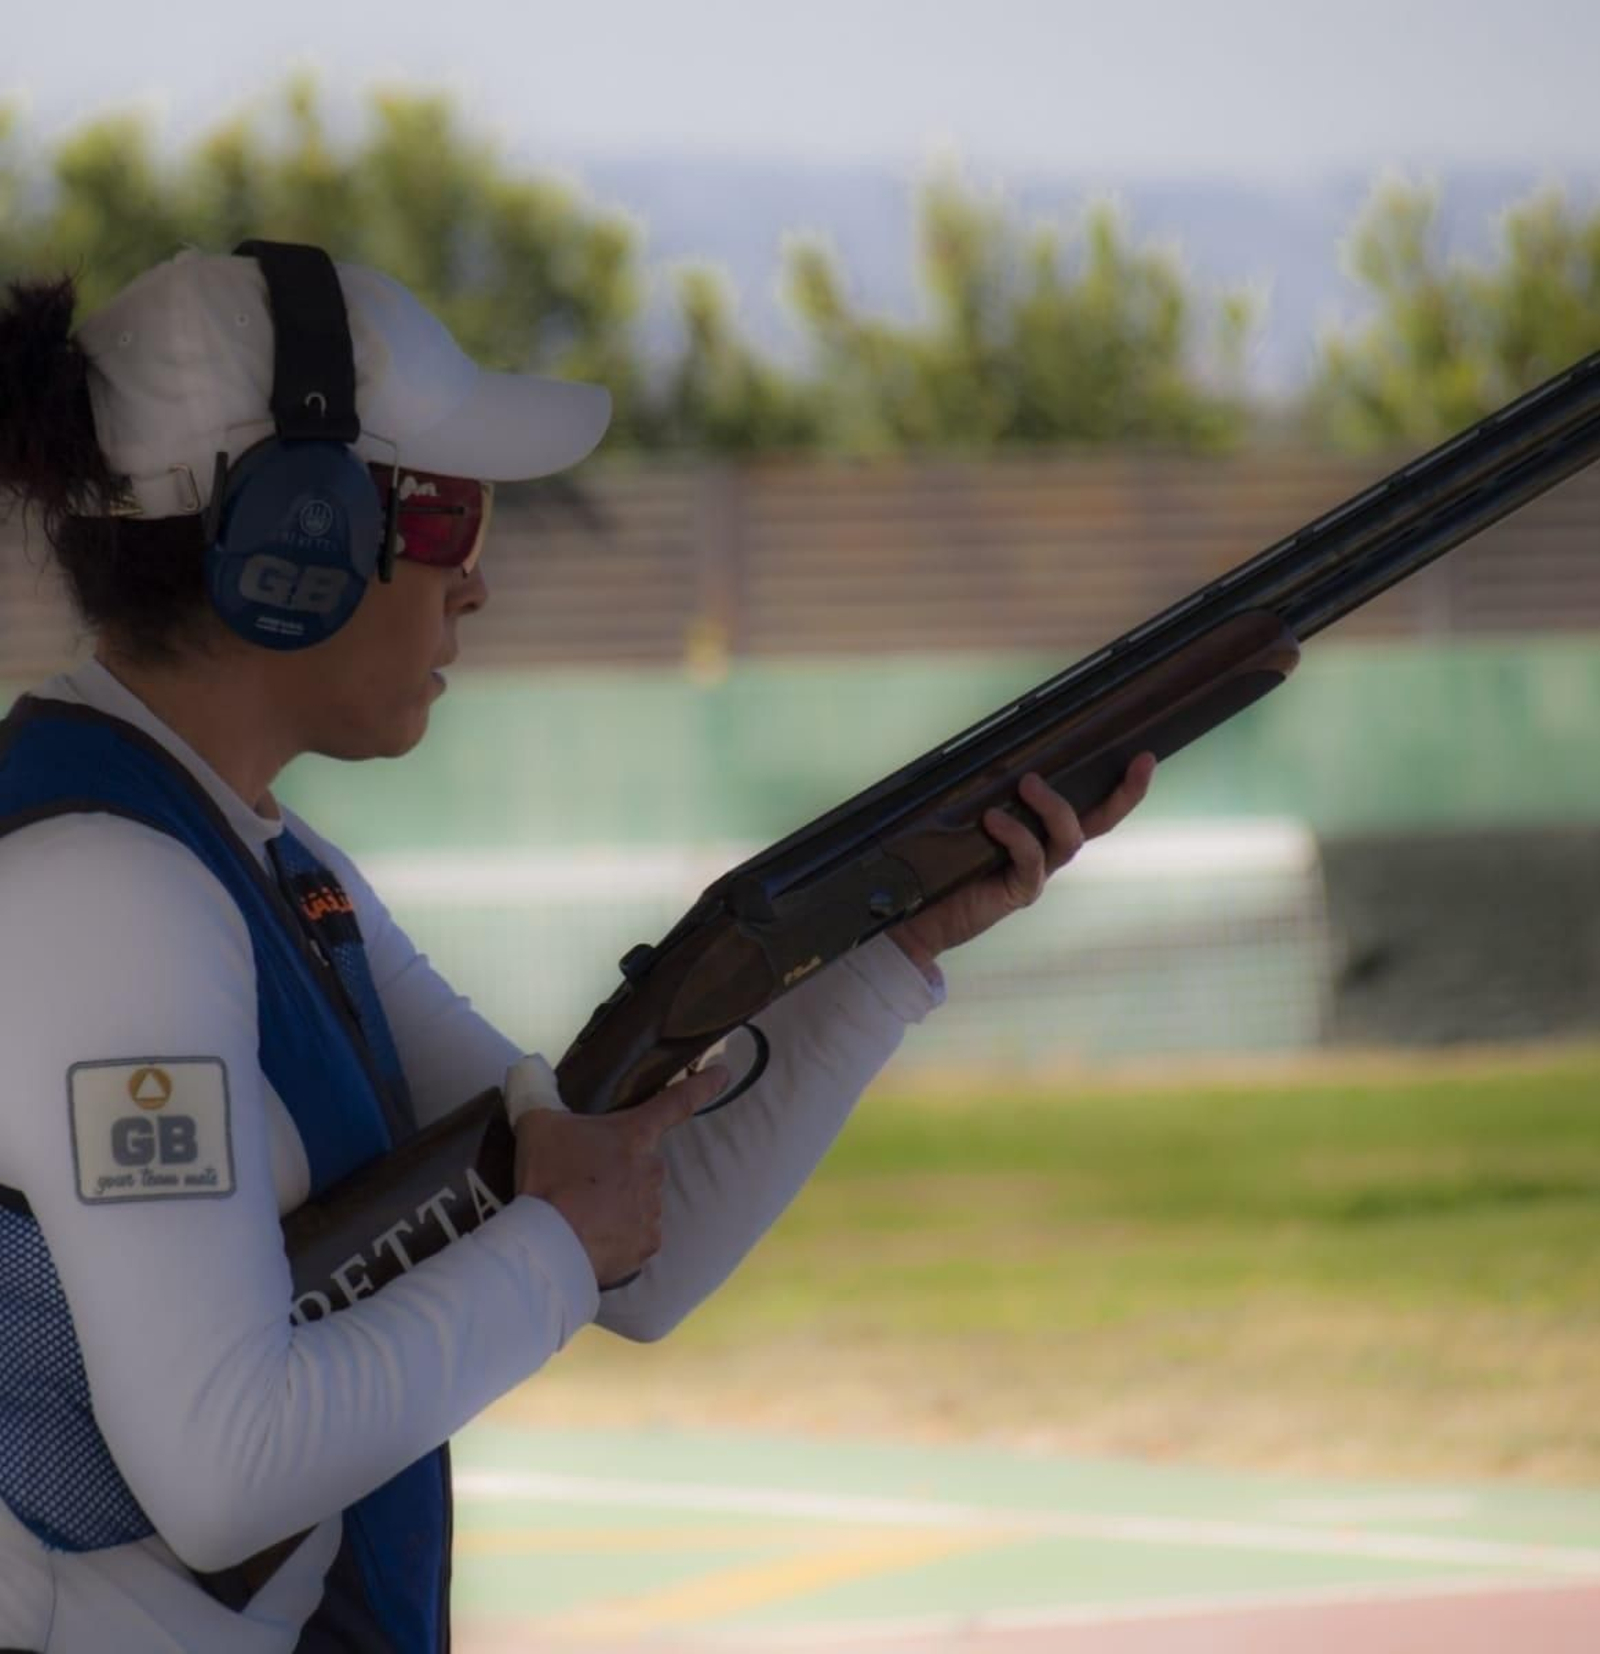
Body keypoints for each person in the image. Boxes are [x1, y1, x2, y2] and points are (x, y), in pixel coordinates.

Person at [0, 241, 1155, 1654]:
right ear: (298, 535)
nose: (477, 583)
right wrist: (547, 1251)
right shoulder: (111, 892)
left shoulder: (250, 859)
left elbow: (637, 1243)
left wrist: (890, 947)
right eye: (453, 520)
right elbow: (224, 1464)